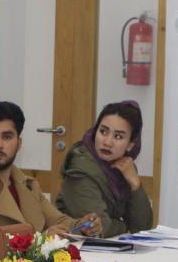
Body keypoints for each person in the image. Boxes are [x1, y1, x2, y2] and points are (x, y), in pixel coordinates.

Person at [0, 101, 100, 253]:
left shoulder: (27, 184)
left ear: (19, 143)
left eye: (7, 137)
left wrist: (83, 226)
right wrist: (40, 241)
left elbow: (59, 221)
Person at [56, 100, 154, 237]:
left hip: (108, 245)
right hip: (73, 246)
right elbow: (100, 227)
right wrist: (126, 227)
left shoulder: (124, 167)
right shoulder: (80, 169)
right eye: (103, 132)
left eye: (118, 136)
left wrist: (135, 184)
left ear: (130, 145)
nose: (107, 142)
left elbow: (143, 227)